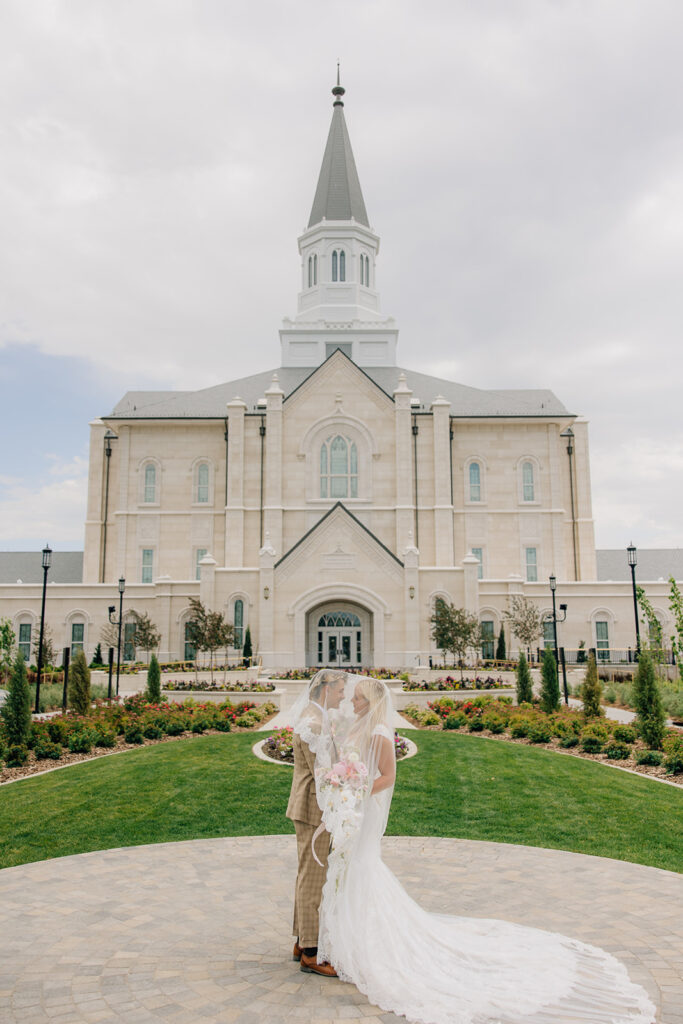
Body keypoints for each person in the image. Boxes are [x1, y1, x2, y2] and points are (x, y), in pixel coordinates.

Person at [292, 672, 656, 1024]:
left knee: (347, 871)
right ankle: (314, 940)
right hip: (338, 808)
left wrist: (353, 791)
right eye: (346, 692)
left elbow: (384, 775)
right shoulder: (340, 723)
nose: (348, 698)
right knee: (328, 874)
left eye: (355, 696)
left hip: (355, 808)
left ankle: (319, 942)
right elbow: (335, 766)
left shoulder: (377, 731)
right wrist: (346, 788)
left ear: (369, 702)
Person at [285, 669, 346, 978]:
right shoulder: (313, 724)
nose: (343, 695)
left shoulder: (316, 718)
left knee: (306, 874)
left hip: (309, 806)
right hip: (314, 810)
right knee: (313, 879)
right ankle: (311, 952)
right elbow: (323, 775)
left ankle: (301, 940)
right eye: (339, 690)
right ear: (325, 689)